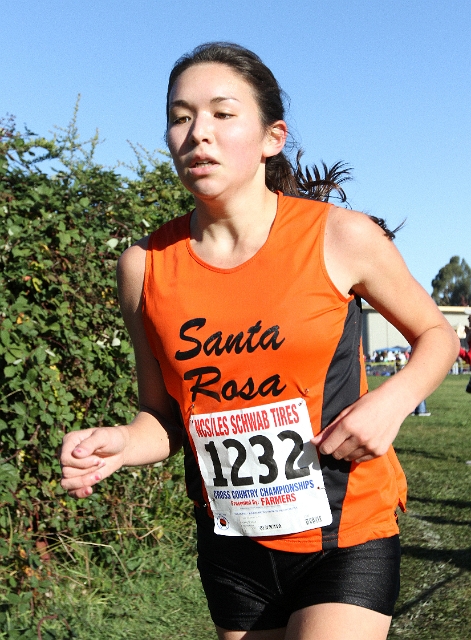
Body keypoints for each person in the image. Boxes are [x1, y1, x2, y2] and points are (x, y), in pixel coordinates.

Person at [60, 42, 459, 640]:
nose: (198, 134)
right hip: (233, 545)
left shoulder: (341, 237)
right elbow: (163, 418)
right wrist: (119, 444)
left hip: (345, 532)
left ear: (272, 137)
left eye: (223, 114)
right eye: (180, 116)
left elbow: (437, 335)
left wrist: (391, 401)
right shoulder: (144, 266)